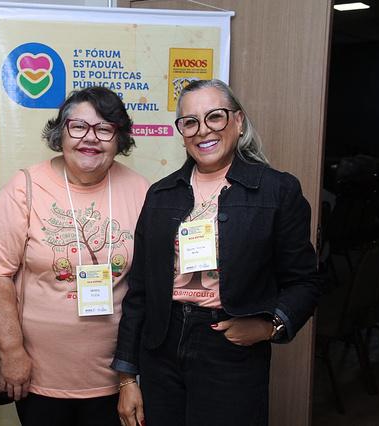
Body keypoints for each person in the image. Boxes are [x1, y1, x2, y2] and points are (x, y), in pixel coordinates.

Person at [113, 79, 321, 426]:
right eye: (190, 122)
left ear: (238, 121)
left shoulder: (277, 191)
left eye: (215, 116)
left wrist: (269, 326)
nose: (202, 130)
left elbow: (305, 283)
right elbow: (139, 292)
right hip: (161, 347)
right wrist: (127, 377)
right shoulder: (161, 195)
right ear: (182, 132)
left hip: (229, 348)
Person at [0, 86, 149, 426]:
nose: (90, 138)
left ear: (119, 138)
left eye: (104, 128)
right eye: (78, 126)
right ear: (61, 133)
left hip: (115, 378)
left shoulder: (142, 191)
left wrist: (130, 375)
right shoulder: (26, 187)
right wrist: (11, 353)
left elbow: (147, 286)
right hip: (37, 376)